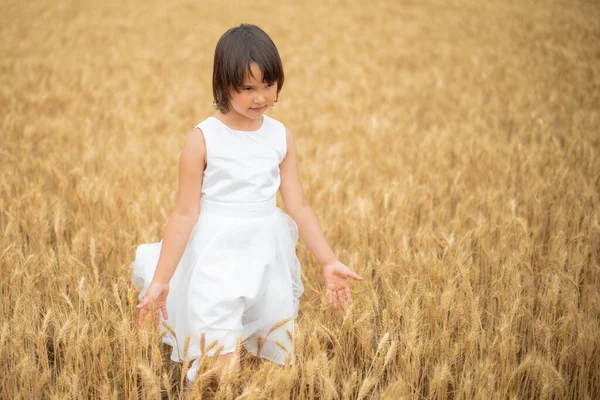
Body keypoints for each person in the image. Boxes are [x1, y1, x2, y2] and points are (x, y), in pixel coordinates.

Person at [132, 23, 363, 383]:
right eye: (248, 88)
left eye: (268, 85)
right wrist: (162, 280)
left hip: (265, 254)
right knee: (220, 361)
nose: (260, 97)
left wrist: (328, 260)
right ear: (223, 85)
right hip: (215, 255)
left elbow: (298, 206)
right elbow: (184, 212)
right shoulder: (202, 139)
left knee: (261, 348)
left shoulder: (279, 136)